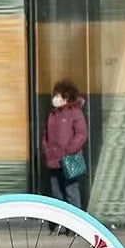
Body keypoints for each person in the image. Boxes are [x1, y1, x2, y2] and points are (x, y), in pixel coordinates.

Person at [42, 79, 88, 234]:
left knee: (71, 192)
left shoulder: (75, 113)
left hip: (69, 160)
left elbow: (81, 134)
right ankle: (59, 225)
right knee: (56, 195)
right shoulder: (52, 114)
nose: (55, 98)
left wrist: (69, 150)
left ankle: (75, 226)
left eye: (58, 95)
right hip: (53, 161)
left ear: (66, 97)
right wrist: (47, 149)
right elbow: (46, 135)